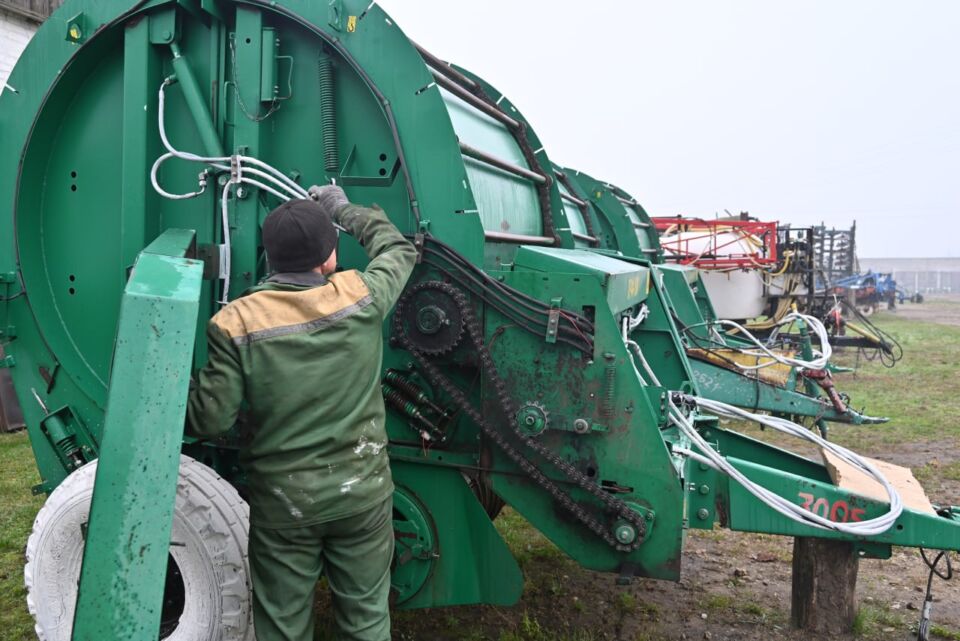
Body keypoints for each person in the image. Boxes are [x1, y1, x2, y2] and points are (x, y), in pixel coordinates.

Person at [186, 185, 417, 641]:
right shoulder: (362, 296)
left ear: (271, 257)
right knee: (368, 620)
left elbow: (210, 420)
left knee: (284, 626)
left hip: (284, 506)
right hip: (362, 495)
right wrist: (340, 207)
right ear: (329, 257)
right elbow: (397, 247)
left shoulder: (237, 323)